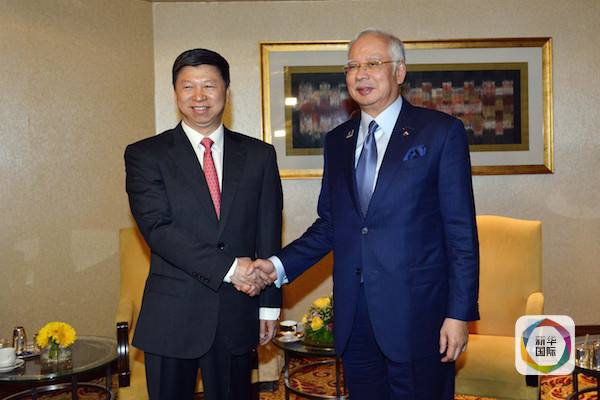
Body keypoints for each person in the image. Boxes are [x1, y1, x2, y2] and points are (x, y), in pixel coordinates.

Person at [253, 29, 480, 399]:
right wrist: (276, 267)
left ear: (400, 72)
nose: (360, 74)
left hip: (419, 315)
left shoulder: (440, 133)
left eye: (373, 63)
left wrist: (458, 314)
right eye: (352, 66)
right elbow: (331, 224)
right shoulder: (337, 141)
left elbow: (460, 232)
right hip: (355, 317)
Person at [124, 48, 283, 400]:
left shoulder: (259, 155)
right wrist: (230, 268)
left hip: (236, 312)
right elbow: (158, 230)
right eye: (188, 86)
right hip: (171, 316)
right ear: (175, 92)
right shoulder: (145, 155)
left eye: (209, 85)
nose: (199, 96)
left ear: (226, 90)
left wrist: (270, 305)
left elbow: (268, 233)